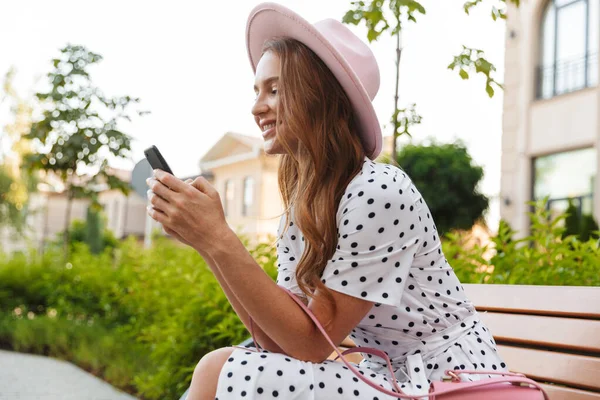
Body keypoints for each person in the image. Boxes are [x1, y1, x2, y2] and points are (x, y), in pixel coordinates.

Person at [146, 2, 508, 399]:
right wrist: (206, 242)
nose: (256, 107)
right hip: (389, 376)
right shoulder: (305, 207)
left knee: (219, 368)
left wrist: (218, 238)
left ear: (319, 96)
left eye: (274, 89)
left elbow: (312, 344)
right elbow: (279, 341)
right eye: (256, 91)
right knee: (227, 365)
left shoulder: (379, 191)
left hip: (454, 383)